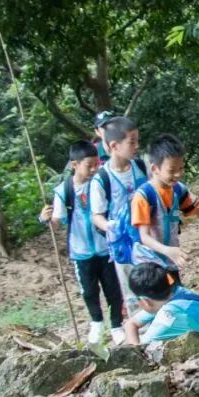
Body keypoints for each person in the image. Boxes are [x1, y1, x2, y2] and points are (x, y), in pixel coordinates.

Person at [39, 140, 125, 345]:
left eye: (97, 164)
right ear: (74, 164)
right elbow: (57, 222)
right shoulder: (64, 190)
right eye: (89, 165)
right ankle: (97, 323)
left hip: (106, 247)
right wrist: (45, 219)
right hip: (81, 251)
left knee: (113, 289)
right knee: (88, 290)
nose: (94, 169)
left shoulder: (101, 182)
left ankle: (116, 325)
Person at [130, 134, 199, 279]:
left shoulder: (178, 190)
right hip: (149, 266)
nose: (178, 174)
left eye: (181, 168)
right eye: (172, 170)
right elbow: (144, 237)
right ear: (155, 168)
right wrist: (168, 251)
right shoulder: (144, 196)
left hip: (170, 260)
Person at [89, 116, 147, 314]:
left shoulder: (141, 167)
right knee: (132, 290)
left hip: (148, 236)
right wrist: (111, 227)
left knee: (156, 282)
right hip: (123, 244)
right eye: (132, 142)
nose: (136, 146)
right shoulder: (102, 179)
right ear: (114, 145)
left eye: (137, 141)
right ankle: (140, 328)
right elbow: (96, 216)